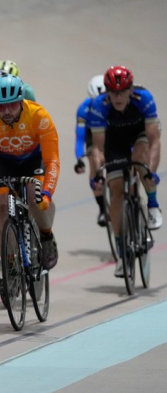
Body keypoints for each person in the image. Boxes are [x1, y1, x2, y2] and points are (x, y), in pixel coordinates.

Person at [0, 74, 60, 270]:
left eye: (11, 105)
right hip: (3, 160)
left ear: (21, 101)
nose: (6, 111)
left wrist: (47, 193)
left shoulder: (39, 116)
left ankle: (46, 234)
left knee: (36, 196)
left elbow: (52, 161)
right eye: (0, 106)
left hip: (33, 158)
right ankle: (8, 260)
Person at [88, 66, 162, 277]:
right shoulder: (99, 106)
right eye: (113, 92)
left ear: (131, 90)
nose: (118, 97)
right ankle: (121, 250)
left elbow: (154, 140)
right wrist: (97, 175)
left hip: (140, 133)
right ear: (107, 92)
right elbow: (98, 149)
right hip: (114, 140)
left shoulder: (144, 98)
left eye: (122, 91)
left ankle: (153, 204)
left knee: (141, 161)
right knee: (117, 188)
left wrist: (151, 172)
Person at [74, 74, 107, 226]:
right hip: (92, 138)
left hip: (113, 134)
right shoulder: (84, 109)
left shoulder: (116, 104)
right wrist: (79, 158)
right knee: (95, 167)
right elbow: (80, 137)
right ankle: (102, 209)